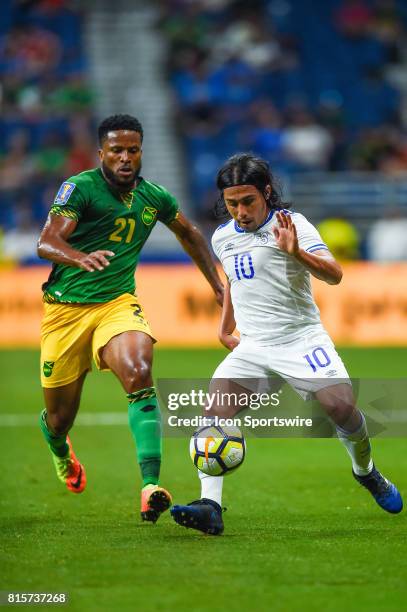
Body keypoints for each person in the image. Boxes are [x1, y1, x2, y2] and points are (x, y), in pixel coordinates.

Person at [171, 153, 403, 535]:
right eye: (232, 203)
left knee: (341, 409)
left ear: (266, 192)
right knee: (212, 418)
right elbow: (232, 280)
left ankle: (367, 473)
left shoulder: (292, 225)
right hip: (254, 347)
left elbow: (336, 275)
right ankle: (210, 506)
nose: (241, 211)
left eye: (248, 201)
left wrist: (296, 252)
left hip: (300, 339)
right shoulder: (222, 237)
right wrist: (225, 325)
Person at [37, 114, 223, 523]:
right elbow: (47, 241)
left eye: (133, 150)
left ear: (141, 152)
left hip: (117, 305)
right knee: (59, 418)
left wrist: (219, 285)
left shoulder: (153, 196)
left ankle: (150, 486)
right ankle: (59, 449)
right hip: (65, 312)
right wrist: (78, 256)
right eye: (117, 150)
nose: (125, 158)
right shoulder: (80, 188)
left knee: (139, 371)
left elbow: (189, 232)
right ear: (101, 151)